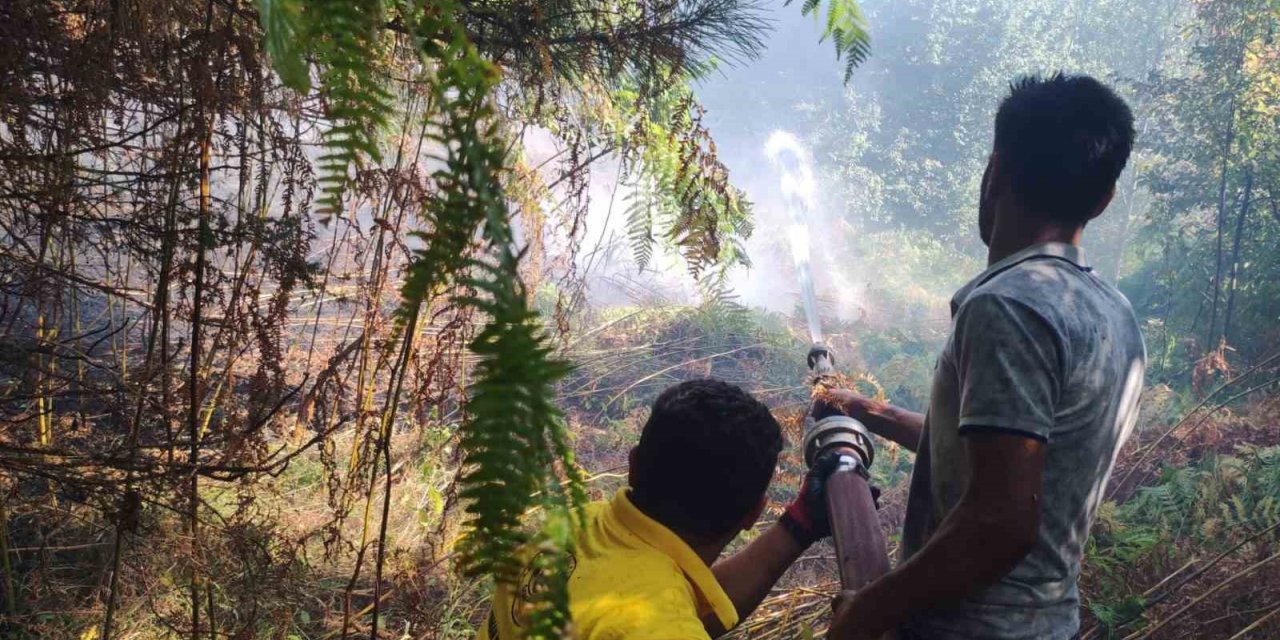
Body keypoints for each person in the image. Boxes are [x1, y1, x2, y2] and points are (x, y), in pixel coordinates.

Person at [819, 73, 1147, 639]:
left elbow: (1000, 519)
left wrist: (868, 611)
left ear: (995, 171)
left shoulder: (1008, 306)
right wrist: (869, 412)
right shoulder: (1115, 314)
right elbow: (1003, 458)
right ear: (1104, 198)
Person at [479, 378, 835, 640]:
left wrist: (798, 525)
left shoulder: (580, 522)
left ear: (633, 465)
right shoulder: (659, 624)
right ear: (753, 514)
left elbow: (682, 607)